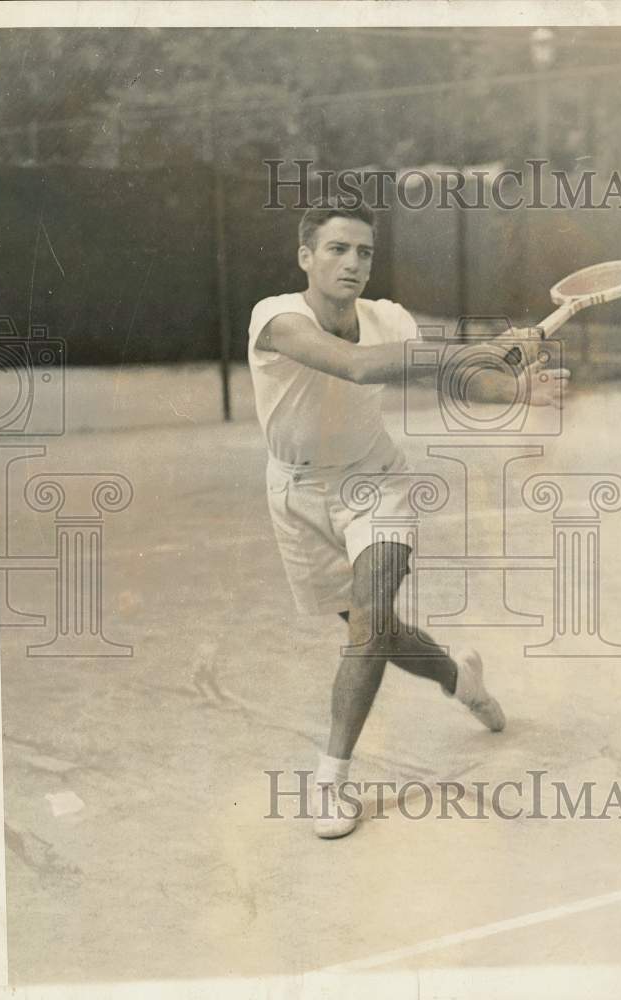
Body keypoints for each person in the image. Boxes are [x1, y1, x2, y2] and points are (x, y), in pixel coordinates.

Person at [248, 200, 569, 838]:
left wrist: (509, 387)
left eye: (364, 252)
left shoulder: (386, 318)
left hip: (376, 485)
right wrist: (476, 351)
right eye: (338, 249)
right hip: (295, 492)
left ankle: (330, 783)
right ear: (306, 257)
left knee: (366, 628)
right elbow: (360, 366)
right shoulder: (276, 318)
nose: (353, 263)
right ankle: (460, 677)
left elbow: (450, 380)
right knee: (382, 633)